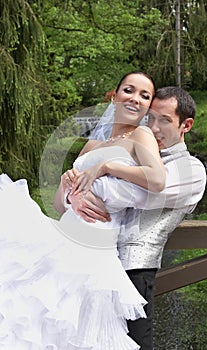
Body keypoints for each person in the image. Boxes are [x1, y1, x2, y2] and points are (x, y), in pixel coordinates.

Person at [0, 71, 169, 350]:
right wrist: (68, 191)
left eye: (145, 95)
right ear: (113, 97)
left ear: (149, 107)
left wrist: (107, 167)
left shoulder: (141, 135)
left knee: (76, 333)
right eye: (129, 90)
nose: (135, 98)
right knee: (37, 322)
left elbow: (157, 179)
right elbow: (57, 204)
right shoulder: (91, 145)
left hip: (94, 247)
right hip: (63, 233)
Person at [66, 86, 207, 350]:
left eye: (164, 120)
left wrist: (101, 170)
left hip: (134, 271)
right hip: (93, 262)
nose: (153, 128)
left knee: (133, 345)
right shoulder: (135, 152)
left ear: (185, 125)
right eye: (149, 118)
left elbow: (131, 194)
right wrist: (72, 194)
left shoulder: (192, 170)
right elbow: (78, 199)